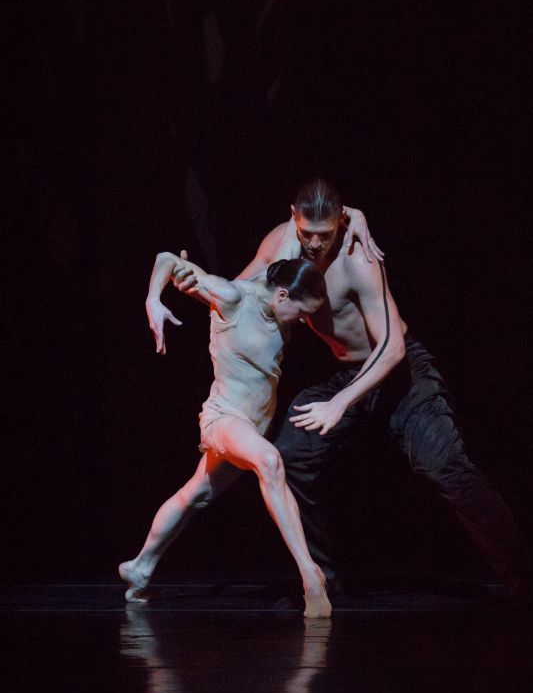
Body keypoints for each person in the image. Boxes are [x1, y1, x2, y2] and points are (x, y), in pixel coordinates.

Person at [157, 178, 530, 600]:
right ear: (292, 218)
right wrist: (194, 280)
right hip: (346, 374)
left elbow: (390, 348)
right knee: (289, 458)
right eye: (306, 234)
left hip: (400, 373)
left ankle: (522, 577)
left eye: (325, 234)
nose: (314, 245)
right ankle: (322, 580)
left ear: (340, 223)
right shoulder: (282, 243)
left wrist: (339, 402)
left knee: (446, 467)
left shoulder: (357, 256)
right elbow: (238, 295)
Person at [119, 253, 332, 617]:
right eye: (302, 311)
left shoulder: (279, 304)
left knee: (193, 496)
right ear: (282, 296)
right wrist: (153, 299)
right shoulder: (233, 296)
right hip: (223, 420)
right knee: (270, 461)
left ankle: (139, 566)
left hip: (250, 427)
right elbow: (166, 259)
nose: (304, 320)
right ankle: (311, 576)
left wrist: (354, 218)